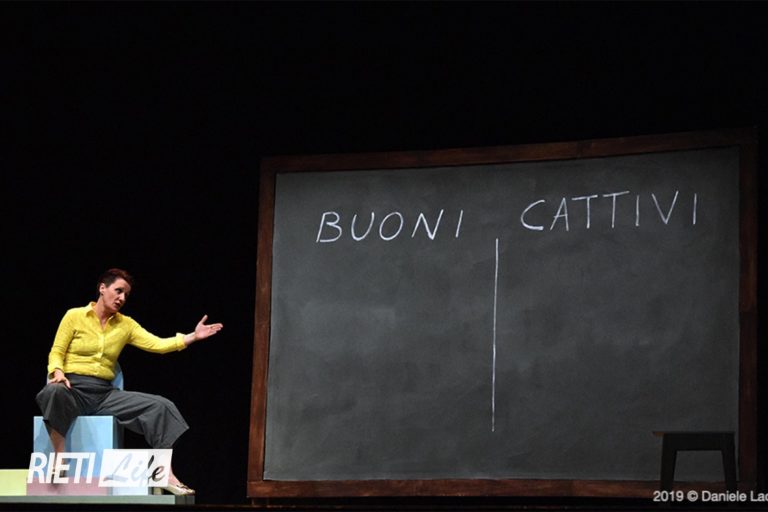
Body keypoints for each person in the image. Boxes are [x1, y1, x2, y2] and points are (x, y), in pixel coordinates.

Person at [36, 268, 223, 496]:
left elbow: (157, 344)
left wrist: (192, 337)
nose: (122, 298)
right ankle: (59, 457)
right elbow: (57, 351)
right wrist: (57, 372)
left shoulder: (126, 325)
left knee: (161, 406)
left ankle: (163, 472)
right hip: (72, 388)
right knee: (53, 392)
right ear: (102, 288)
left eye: (126, 294)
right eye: (118, 291)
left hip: (104, 394)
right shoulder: (74, 316)